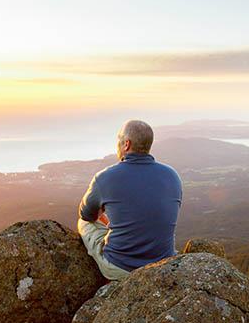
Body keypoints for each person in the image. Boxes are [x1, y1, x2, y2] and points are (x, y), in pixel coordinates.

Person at [78, 119, 183, 280]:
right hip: (163, 262)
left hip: (121, 267)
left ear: (126, 144)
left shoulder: (105, 177)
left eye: (119, 141)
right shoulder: (172, 175)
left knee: (83, 223)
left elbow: (86, 215)